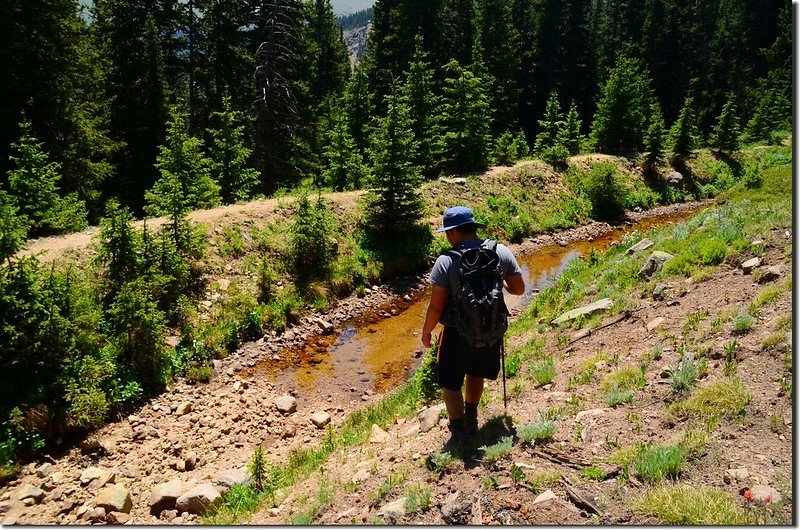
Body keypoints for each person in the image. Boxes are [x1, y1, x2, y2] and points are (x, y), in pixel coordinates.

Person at [421, 206, 525, 437]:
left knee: (450, 381)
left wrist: (427, 332)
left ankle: (459, 431)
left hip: (456, 331)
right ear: (473, 228)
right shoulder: (501, 251)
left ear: (452, 232)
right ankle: (472, 416)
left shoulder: (446, 261)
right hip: (491, 327)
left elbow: (436, 306)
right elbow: (518, 289)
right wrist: (500, 284)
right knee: (476, 371)